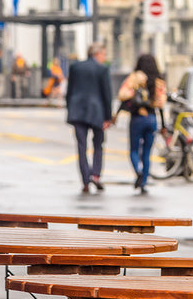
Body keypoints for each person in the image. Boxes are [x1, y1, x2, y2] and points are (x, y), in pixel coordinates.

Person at [65, 42, 114, 194]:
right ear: (98, 54)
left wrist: (69, 109)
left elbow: (69, 91)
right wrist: (108, 117)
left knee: (81, 146)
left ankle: (85, 180)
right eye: (104, 54)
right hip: (96, 112)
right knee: (98, 144)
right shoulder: (102, 69)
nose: (104, 58)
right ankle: (96, 175)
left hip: (77, 111)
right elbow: (107, 94)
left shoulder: (75, 67)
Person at [116, 54, 166, 193]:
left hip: (137, 118)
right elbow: (162, 103)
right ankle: (143, 182)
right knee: (147, 152)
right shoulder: (159, 80)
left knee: (133, 149)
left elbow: (122, 95)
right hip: (152, 119)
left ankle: (138, 171)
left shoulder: (134, 78)